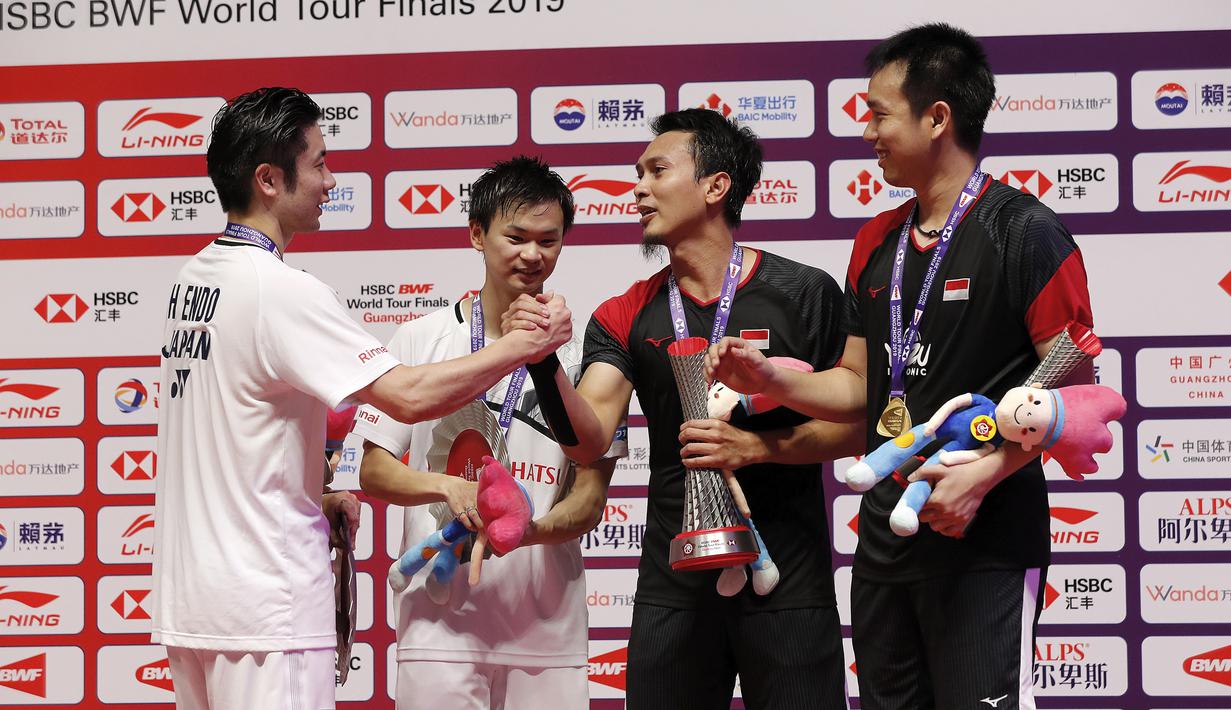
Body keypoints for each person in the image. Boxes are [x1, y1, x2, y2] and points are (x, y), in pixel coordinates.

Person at [706, 24, 1095, 710]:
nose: (866, 133)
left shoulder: (1025, 232)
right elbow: (857, 387)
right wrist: (770, 379)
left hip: (987, 543)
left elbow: (1074, 394)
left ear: (936, 117)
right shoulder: (873, 240)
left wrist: (982, 476)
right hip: (887, 539)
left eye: (879, 113)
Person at [150, 89, 569, 710]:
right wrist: (523, 345)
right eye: (318, 163)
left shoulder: (193, 278)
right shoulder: (279, 289)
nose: (330, 180)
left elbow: (232, 433)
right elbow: (408, 395)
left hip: (193, 600)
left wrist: (314, 494)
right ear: (269, 178)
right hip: (268, 606)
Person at [509, 108, 853, 709]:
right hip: (674, 584)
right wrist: (540, 359)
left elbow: (859, 427)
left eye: (656, 171)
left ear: (716, 186)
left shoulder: (807, 293)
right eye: (637, 173)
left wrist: (760, 448)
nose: (637, 189)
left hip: (788, 582)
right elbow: (587, 438)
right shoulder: (626, 313)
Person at [351, 155, 624, 710]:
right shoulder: (419, 339)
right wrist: (448, 489)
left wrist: (524, 531)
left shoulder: (583, 355)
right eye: (515, 236)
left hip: (547, 633)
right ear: (477, 234)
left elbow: (591, 500)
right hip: (439, 627)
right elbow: (374, 471)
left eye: (549, 240)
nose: (533, 254)